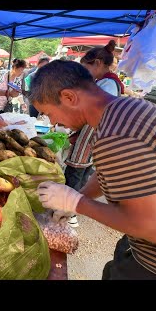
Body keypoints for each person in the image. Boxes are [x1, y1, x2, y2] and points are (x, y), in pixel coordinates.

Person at [32, 60, 156, 280]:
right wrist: (80, 196)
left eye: (49, 114)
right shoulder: (130, 108)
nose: (53, 122)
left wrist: (76, 203)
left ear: (69, 97)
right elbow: (122, 172)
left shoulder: (115, 137)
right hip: (141, 249)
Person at [64, 41, 124, 227]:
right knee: (82, 172)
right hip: (94, 134)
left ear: (97, 63)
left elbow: (90, 110)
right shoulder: (107, 82)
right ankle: (74, 206)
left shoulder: (107, 83)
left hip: (91, 133)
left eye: (86, 68)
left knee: (76, 171)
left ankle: (69, 211)